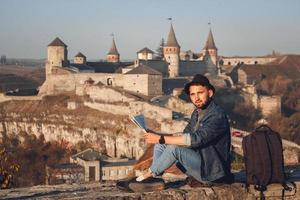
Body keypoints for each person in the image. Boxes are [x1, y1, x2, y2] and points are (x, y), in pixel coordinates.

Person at [136, 74, 232, 184]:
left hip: (213, 171)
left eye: (200, 93)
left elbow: (196, 139)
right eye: (193, 94)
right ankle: (154, 177)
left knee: (174, 148)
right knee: (160, 145)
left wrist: (161, 138)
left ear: (210, 93)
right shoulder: (197, 113)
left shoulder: (216, 115)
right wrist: (159, 137)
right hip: (201, 162)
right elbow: (185, 134)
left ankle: (148, 175)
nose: (196, 98)